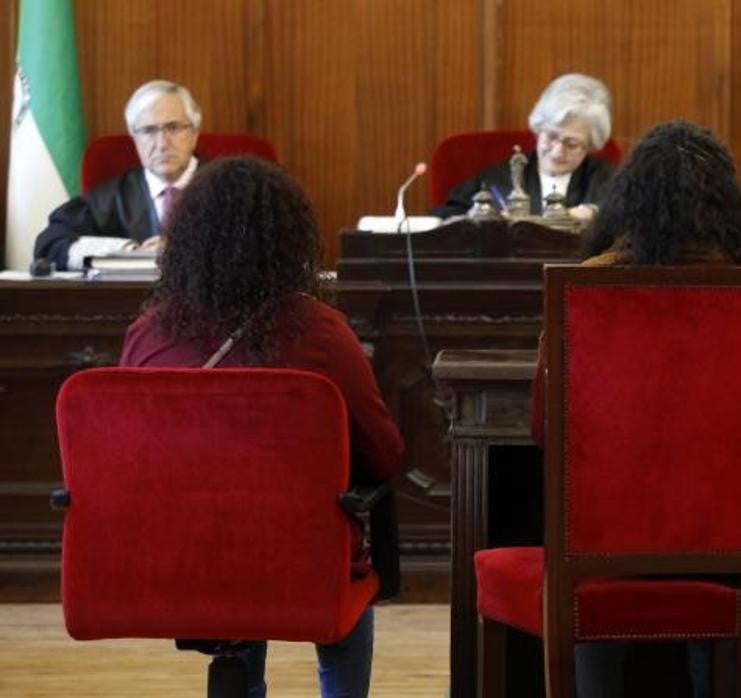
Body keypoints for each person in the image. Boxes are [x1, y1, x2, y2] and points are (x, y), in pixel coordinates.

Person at [531, 120, 741, 698]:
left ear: (624, 200)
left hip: (600, 535)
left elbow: (542, 428)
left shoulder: (583, 293)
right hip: (726, 545)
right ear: (725, 206)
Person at [119, 157, 404, 697]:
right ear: (290, 242)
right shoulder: (319, 332)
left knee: (234, 549)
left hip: (182, 556)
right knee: (337, 568)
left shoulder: (147, 334)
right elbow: (384, 456)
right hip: (300, 560)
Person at [35, 79, 203, 270]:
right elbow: (50, 245)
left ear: (194, 133)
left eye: (173, 128)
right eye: (149, 131)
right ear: (134, 138)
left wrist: (182, 250)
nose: (162, 144)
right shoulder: (109, 199)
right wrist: (128, 252)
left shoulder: (234, 188)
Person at [432, 73, 614, 222]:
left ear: (590, 145)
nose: (558, 151)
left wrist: (594, 215)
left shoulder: (608, 180)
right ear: (538, 128)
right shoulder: (495, 178)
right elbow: (443, 219)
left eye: (572, 144)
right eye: (551, 136)